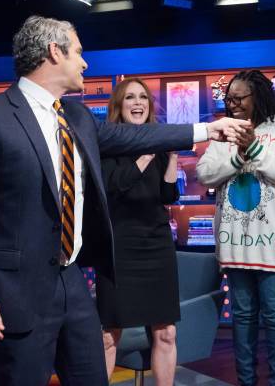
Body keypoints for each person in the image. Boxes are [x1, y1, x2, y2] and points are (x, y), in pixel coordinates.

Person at [0, 15, 249, 386]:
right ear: (54, 52)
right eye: (79, 52)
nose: (85, 63)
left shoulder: (77, 114)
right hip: (17, 291)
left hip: (72, 281)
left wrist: (206, 129)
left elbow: (133, 137)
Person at [197, 70, 275, 386]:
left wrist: (256, 150)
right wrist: (236, 157)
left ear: (257, 95)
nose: (231, 104)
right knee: (243, 317)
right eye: (228, 99)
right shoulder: (224, 131)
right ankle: (245, 381)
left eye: (238, 98)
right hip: (236, 243)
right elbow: (205, 174)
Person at [96, 78, 180, 384]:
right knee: (108, 335)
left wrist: (170, 156)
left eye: (143, 97)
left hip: (156, 244)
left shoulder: (157, 146)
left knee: (166, 332)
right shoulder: (105, 144)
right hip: (119, 246)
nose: (138, 103)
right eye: (130, 97)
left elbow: (168, 196)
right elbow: (116, 185)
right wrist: (146, 150)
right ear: (119, 105)